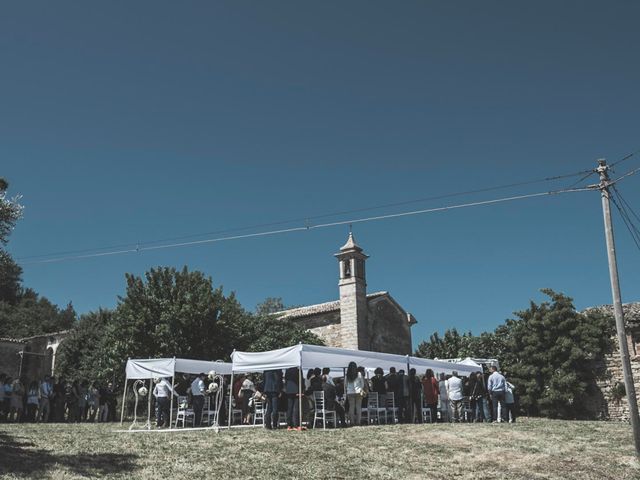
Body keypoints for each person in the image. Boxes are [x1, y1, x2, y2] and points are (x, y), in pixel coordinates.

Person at [345, 361, 364, 426]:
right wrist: (360, 388)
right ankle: (358, 422)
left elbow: (345, 384)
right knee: (358, 407)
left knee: (351, 407)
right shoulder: (359, 374)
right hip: (358, 392)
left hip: (350, 392)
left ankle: (352, 422)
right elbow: (362, 384)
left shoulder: (347, 375)